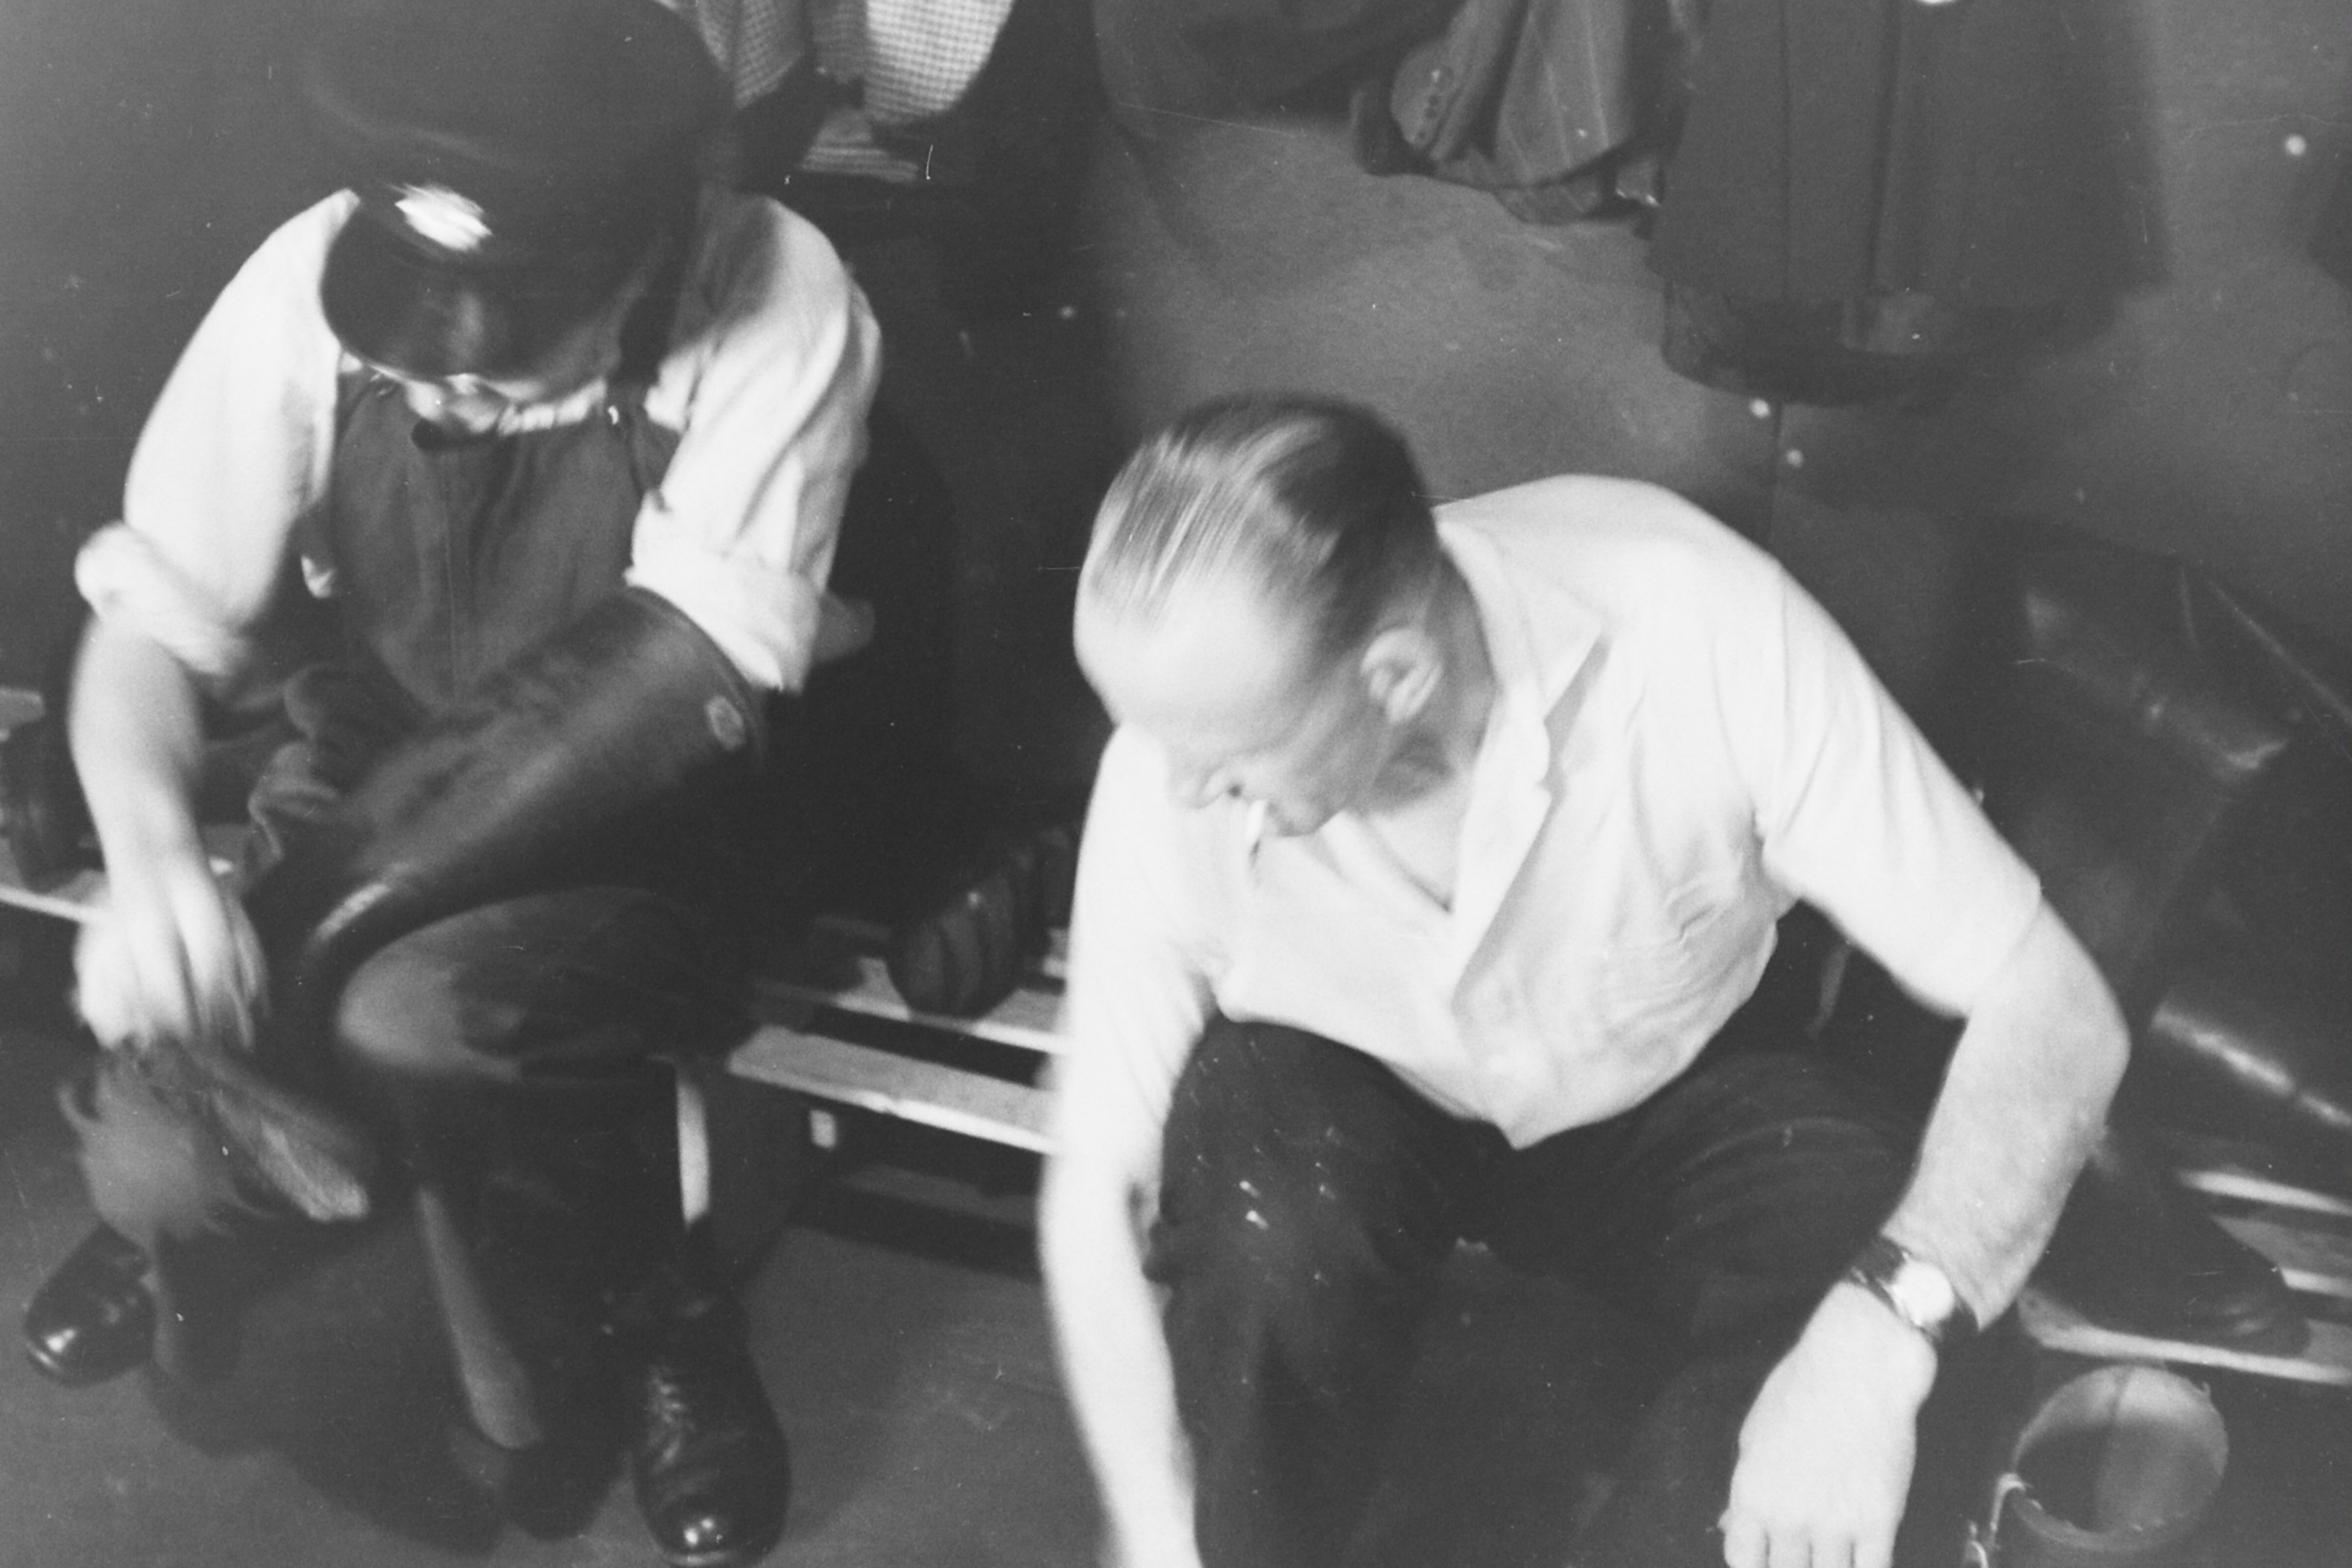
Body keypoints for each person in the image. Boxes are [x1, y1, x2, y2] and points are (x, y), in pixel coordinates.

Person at [20, 2, 879, 1564]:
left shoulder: (774, 288)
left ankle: (661, 1308)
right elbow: (151, 624)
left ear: (630, 252)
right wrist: (149, 859)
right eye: (404, 351)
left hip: (645, 807)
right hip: (374, 763)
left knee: (412, 1017)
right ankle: (191, 1229)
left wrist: (283, 933)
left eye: (492, 367)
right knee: (157, 1157)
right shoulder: (306, 272)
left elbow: (678, 662)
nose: (434, 401)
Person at [1040, 396, 2129, 1568]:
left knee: (1885, 1291)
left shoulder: (1697, 621)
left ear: (1394, 675)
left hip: (1672, 1099)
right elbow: (1093, 1188)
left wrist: (1873, 1349)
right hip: (1352, 1111)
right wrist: (1159, 1538)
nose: (1176, 785)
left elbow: (2057, 1011)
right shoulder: (1170, 756)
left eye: (1225, 757)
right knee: (1263, 1184)